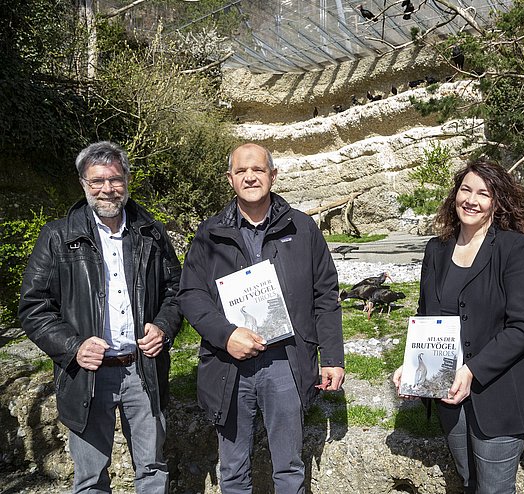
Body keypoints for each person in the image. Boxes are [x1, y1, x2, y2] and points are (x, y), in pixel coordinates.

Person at [178, 143, 345, 493]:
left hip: (286, 361)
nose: (250, 177)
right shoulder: (209, 234)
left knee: (289, 468)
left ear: (273, 174)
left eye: (257, 169)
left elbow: (325, 294)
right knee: (234, 470)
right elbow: (191, 295)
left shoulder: (302, 228)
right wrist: (225, 335)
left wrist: (331, 357)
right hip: (230, 366)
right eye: (241, 171)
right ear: (230, 178)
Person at [18, 141, 182, 493]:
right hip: (88, 375)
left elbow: (176, 291)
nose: (107, 189)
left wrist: (165, 327)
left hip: (143, 369)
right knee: (91, 478)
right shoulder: (58, 236)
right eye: (97, 181)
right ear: (83, 184)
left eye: (115, 179)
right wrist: (73, 346)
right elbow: (33, 307)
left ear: (127, 180)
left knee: (153, 468)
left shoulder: (151, 232)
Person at [393, 159, 524, 494]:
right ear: (454, 195)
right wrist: (411, 367)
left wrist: (472, 370)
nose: (471, 200)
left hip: (499, 394)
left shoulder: (513, 248)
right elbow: (426, 318)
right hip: (448, 393)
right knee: (469, 482)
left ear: (497, 202)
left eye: (483, 193)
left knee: (493, 489)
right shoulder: (436, 250)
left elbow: (523, 327)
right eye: (465, 189)